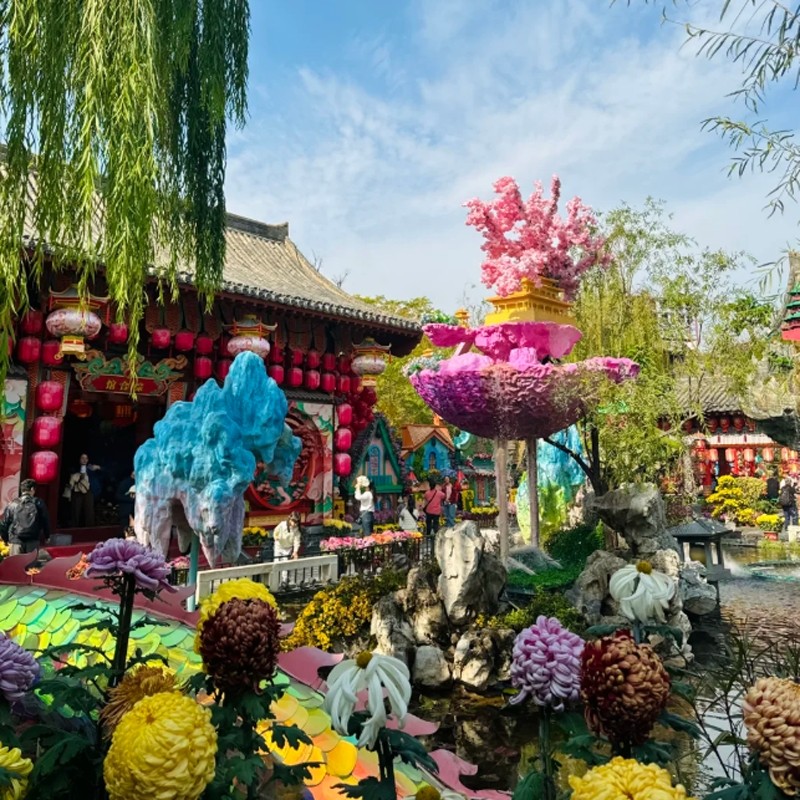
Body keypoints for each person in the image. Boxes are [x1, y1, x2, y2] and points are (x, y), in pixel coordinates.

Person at [0, 479, 51, 555]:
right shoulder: (38, 503)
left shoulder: (13, 504)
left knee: (16, 562)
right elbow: (45, 520)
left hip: (15, 540)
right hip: (33, 540)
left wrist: (6, 539)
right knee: (30, 562)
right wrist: (47, 536)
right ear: (32, 489)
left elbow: (4, 523)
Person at [68, 454, 102, 527]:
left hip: (88, 491)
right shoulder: (74, 469)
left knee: (89, 511)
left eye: (86, 458)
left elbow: (104, 473)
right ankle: (74, 528)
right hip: (77, 491)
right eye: (82, 458)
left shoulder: (91, 469)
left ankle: (89, 528)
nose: (84, 460)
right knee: (76, 511)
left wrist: (99, 468)